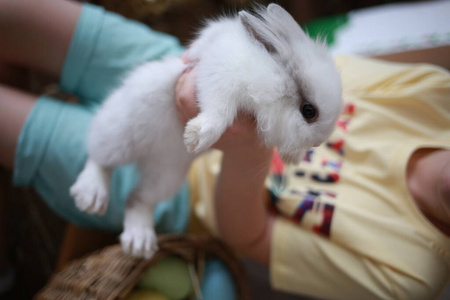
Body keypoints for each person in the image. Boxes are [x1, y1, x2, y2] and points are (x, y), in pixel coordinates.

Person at [0, 0, 449, 299]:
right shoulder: (436, 95)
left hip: (177, 184)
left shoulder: (410, 274)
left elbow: (248, 238)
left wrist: (247, 149)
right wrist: (204, 82)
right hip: (170, 61)